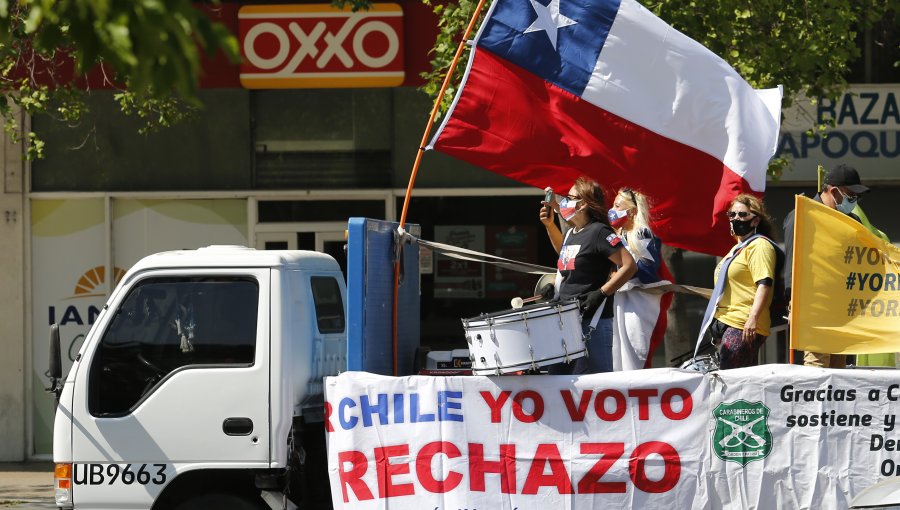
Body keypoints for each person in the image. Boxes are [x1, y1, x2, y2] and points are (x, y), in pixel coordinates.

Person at [538, 177, 637, 374]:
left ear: (582, 204)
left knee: (595, 387)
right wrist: (550, 225)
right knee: (559, 383)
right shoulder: (573, 232)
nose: (564, 201)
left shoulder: (599, 232)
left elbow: (629, 266)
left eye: (569, 197)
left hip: (591, 322)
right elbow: (566, 255)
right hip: (565, 319)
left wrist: (601, 293)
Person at [783, 163, 869, 368]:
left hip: (842, 307)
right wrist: (793, 301)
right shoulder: (804, 214)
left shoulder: (852, 220)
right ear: (833, 191)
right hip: (814, 305)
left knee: (840, 373)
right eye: (851, 195)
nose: (854, 201)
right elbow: (792, 262)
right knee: (817, 368)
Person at [704, 194, 779, 369]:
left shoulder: (759, 245)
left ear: (755, 221)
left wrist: (752, 318)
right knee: (741, 381)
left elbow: (764, 283)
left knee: (729, 379)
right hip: (729, 323)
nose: (737, 218)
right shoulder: (736, 249)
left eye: (743, 215)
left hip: (743, 325)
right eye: (732, 214)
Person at [607, 188, 673, 370]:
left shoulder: (641, 234)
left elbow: (647, 271)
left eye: (617, 205)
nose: (612, 209)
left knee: (635, 357)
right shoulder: (619, 235)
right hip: (622, 303)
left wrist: (625, 271)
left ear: (632, 211)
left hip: (639, 305)